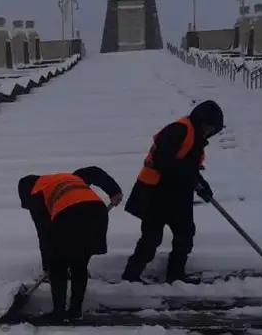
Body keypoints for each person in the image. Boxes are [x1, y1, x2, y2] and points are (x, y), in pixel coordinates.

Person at [121, 100, 224, 284]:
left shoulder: (196, 138)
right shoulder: (179, 130)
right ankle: (130, 276)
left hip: (177, 195)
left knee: (185, 235)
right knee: (151, 238)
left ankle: (176, 276)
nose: (210, 133)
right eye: (209, 127)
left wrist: (202, 186)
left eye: (213, 130)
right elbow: (163, 160)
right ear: (201, 121)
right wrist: (189, 178)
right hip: (155, 193)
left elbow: (189, 168)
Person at [17, 166, 123, 322]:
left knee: (58, 265)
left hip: (68, 214)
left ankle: (58, 313)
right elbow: (94, 171)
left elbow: (45, 236)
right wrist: (114, 191)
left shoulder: (36, 195)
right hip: (96, 212)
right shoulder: (66, 178)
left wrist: (49, 266)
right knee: (79, 263)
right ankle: (75, 311)